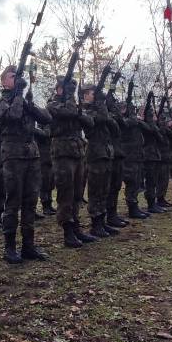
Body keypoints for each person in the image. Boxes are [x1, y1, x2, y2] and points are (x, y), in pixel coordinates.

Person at [0, 65, 51, 264]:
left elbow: (46, 118)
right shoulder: (0, 102)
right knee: (13, 202)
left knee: (30, 201)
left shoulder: (23, 100)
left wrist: (30, 104)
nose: (17, 79)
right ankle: (9, 248)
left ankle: (28, 246)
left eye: (18, 76)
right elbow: (13, 116)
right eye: (13, 76)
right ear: (4, 82)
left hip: (32, 156)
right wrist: (18, 94)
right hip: (13, 157)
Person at [47, 77, 97, 248]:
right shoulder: (53, 104)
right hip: (62, 153)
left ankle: (76, 227)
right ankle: (67, 231)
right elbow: (67, 112)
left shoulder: (74, 106)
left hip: (77, 153)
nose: (71, 91)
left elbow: (89, 123)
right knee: (65, 194)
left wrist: (79, 110)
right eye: (68, 88)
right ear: (59, 89)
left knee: (77, 193)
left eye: (72, 89)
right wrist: (70, 99)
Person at [81, 83, 118, 238]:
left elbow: (115, 129)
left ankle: (102, 222)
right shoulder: (84, 110)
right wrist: (101, 104)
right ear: (84, 95)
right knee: (96, 191)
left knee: (105, 190)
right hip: (95, 154)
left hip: (105, 153)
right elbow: (101, 118)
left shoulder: (98, 110)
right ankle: (95, 224)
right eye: (92, 93)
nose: (95, 96)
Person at [105, 86, 129, 228]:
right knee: (109, 187)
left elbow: (123, 124)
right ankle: (109, 215)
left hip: (118, 153)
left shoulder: (116, 117)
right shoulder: (108, 116)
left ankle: (113, 214)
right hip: (111, 154)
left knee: (116, 187)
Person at [34, 125, 56, 215]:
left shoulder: (48, 129)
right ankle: (45, 206)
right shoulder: (38, 132)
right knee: (44, 184)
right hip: (42, 161)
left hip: (49, 160)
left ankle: (49, 205)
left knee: (50, 184)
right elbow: (46, 134)